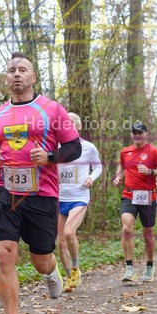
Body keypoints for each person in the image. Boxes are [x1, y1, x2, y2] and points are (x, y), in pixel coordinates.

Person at [0, 52, 82, 314]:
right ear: (6, 78)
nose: (17, 74)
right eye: (12, 70)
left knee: (40, 261)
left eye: (22, 70)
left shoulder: (52, 109)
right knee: (4, 254)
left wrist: (50, 157)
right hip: (6, 192)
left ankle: (51, 271)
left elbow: (74, 147)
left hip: (42, 194)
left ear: (33, 77)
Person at [112, 122, 157, 283]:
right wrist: (118, 178)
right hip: (129, 195)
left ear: (146, 135)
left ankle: (150, 265)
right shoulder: (125, 151)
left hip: (148, 196)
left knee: (148, 234)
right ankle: (129, 268)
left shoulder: (154, 152)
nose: (137, 135)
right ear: (131, 135)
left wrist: (151, 171)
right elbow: (123, 167)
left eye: (140, 133)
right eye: (134, 133)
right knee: (126, 228)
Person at [57, 112, 103, 292]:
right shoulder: (57, 147)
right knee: (60, 242)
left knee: (69, 233)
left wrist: (91, 177)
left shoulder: (88, 147)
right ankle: (69, 275)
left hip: (79, 197)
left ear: (79, 126)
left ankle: (75, 267)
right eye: (64, 122)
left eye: (71, 122)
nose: (67, 125)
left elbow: (98, 167)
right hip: (59, 198)